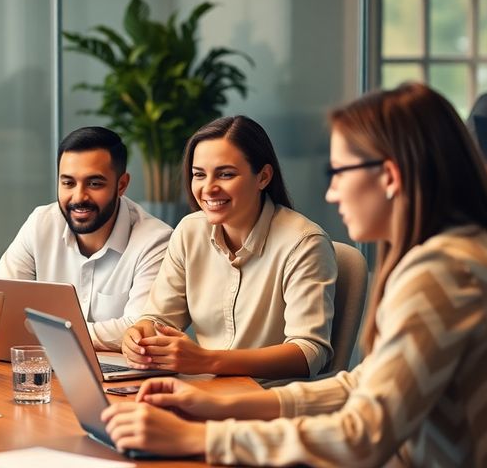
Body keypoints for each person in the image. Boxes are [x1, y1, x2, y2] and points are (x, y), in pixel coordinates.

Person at [102, 83, 487, 466]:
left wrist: (198, 438)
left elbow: (362, 437)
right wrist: (218, 401)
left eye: (338, 172)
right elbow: (363, 383)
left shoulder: (445, 274)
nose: (332, 192)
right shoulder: (462, 253)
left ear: (390, 177)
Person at [121, 116, 336, 380]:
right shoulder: (189, 231)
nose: (208, 188)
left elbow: (309, 353)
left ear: (264, 177)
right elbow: (158, 319)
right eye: (199, 174)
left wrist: (207, 361)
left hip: (268, 402)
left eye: (226, 174)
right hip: (205, 391)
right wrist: (140, 335)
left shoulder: (304, 244)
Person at [0, 127, 172, 350]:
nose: (79, 197)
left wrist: (41, 332)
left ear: (121, 185)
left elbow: (140, 330)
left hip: (122, 378)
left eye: (94, 184)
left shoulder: (156, 240)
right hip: (46, 366)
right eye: (68, 183)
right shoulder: (41, 223)